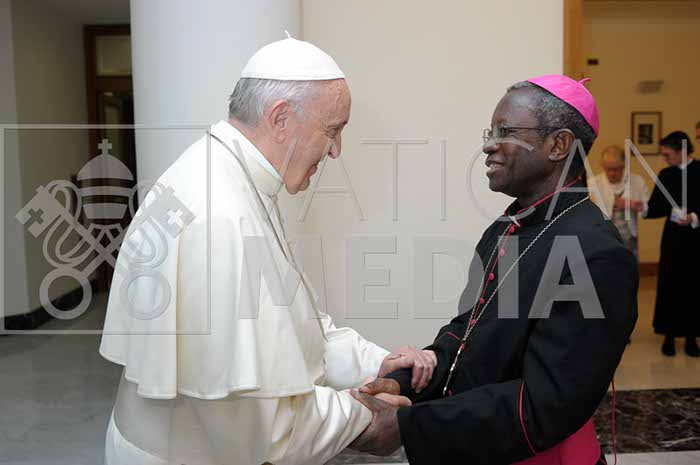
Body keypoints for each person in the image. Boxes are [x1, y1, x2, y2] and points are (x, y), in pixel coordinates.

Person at [100, 37, 436, 465]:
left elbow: (295, 323)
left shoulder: (230, 175)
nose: (336, 150)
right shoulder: (221, 214)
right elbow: (264, 426)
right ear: (281, 119)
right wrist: (365, 416)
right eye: (332, 130)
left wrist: (376, 362)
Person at [349, 75, 638, 465]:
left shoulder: (596, 252)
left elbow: (546, 404)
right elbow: (469, 334)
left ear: (558, 145)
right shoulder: (508, 228)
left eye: (506, 132)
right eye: (491, 132)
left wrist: (408, 426)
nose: (488, 145)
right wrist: (406, 381)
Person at [641, 131, 699, 357]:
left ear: (682, 150)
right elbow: (657, 206)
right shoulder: (666, 174)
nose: (665, 158)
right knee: (670, 283)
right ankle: (669, 335)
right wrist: (642, 208)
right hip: (673, 238)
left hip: (696, 238)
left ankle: (692, 337)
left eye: (668, 154)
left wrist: (694, 217)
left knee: (694, 286)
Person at [589, 145, 650, 259]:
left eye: (616, 169)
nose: (612, 173)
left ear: (623, 166)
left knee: (629, 266)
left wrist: (635, 205)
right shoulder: (592, 184)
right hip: (602, 239)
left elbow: (648, 210)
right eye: (608, 169)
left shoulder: (637, 181)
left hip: (629, 239)